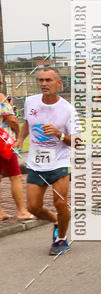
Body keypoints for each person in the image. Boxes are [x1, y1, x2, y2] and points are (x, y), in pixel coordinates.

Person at [15, 68, 81, 255]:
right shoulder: (30, 101)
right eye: (41, 80)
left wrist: (59, 134)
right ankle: (56, 221)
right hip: (37, 162)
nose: (44, 84)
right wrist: (21, 139)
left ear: (58, 83)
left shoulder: (67, 109)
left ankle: (60, 239)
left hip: (60, 162)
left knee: (60, 203)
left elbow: (77, 141)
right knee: (33, 207)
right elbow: (27, 123)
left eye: (48, 80)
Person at [0, 92, 33, 221]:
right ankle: (22, 211)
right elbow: (11, 119)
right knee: (16, 176)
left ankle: (1, 212)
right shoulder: (1, 97)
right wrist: (18, 134)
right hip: (3, 140)